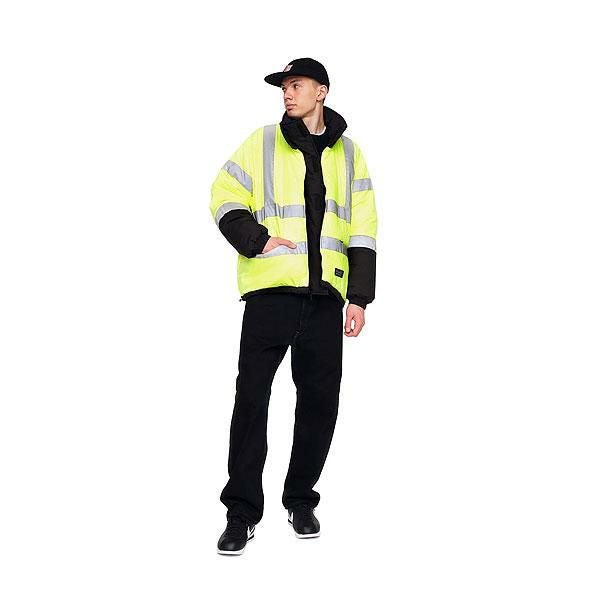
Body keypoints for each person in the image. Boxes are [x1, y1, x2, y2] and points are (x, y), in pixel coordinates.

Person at [209, 57, 377, 555]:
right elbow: (223, 194)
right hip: (271, 293)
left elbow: (363, 225)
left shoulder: (349, 154)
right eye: (284, 86)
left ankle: (300, 500)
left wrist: (359, 297)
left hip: (326, 299)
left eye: (296, 85)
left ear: (321, 91)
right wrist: (255, 239)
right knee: (251, 403)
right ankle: (240, 513)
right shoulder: (262, 142)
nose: (287, 93)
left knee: (321, 405)